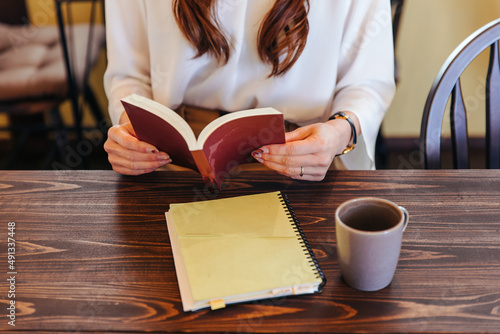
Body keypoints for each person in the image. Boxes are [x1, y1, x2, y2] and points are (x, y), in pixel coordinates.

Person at [103, 0, 395, 181]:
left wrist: (338, 134)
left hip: (300, 165)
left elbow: (365, 84)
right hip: (175, 164)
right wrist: (130, 130)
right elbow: (129, 74)